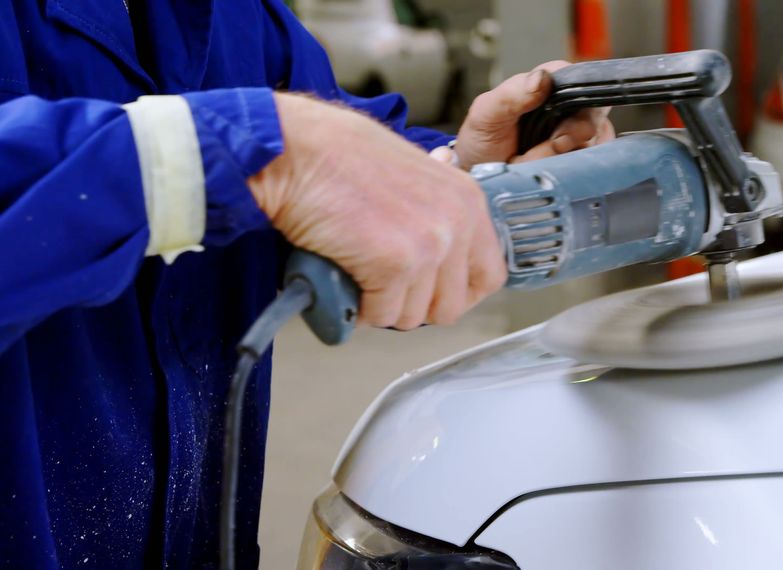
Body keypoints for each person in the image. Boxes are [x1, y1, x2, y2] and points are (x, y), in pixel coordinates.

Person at [0, 1, 614, 567]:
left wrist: (461, 175)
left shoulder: (234, 16)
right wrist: (239, 152)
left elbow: (322, 146)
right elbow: (271, 146)